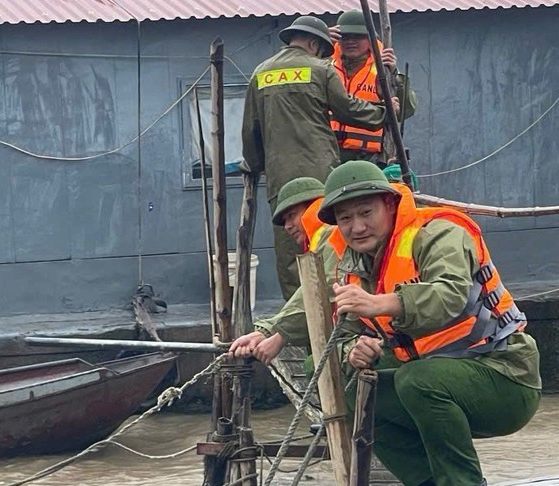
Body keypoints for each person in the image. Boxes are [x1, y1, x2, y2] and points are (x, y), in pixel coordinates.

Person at [233, 160, 542, 486]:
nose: (357, 227)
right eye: (345, 218)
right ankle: (426, 482)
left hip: (504, 376)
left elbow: (449, 295)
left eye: (366, 212)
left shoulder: (439, 234)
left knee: (417, 380)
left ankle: (462, 483)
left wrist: (380, 303)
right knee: (350, 382)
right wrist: (353, 349)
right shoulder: (354, 263)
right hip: (436, 375)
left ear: (391, 204)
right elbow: (336, 325)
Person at [241, 15, 399, 301]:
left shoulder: (260, 73)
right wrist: (384, 112)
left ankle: (297, 318)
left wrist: (254, 166)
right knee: (329, 242)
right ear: (314, 44)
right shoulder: (320, 69)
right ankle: (336, 305)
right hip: (321, 175)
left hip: (281, 177)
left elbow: (251, 131)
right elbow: (348, 110)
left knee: (292, 251)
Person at [230, 177, 344, 365]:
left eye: (291, 215)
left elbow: (325, 286)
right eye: (284, 221)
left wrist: (278, 333)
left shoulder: (331, 234)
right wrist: (266, 331)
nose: (288, 226)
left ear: (313, 207)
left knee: (314, 366)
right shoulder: (319, 240)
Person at [329, 10, 418, 166]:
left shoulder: (383, 70)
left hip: (369, 158)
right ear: (337, 40)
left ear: (370, 39)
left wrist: (395, 76)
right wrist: (319, 44)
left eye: (358, 36)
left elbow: (406, 111)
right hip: (329, 154)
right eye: (345, 36)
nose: (351, 41)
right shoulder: (324, 66)